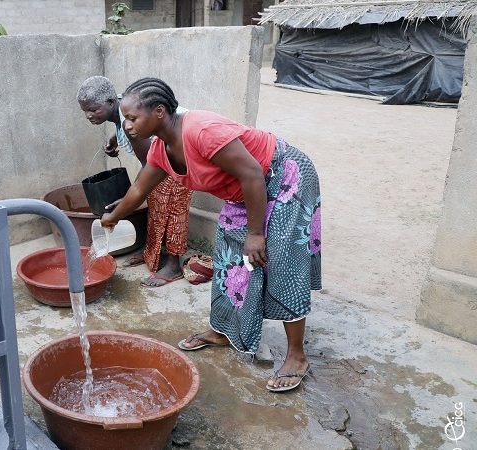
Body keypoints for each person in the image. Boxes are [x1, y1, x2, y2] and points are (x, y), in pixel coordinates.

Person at [101, 78, 321, 392]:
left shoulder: (200, 131)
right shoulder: (161, 150)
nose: (127, 125)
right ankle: (224, 331)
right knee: (231, 261)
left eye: (133, 118)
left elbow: (251, 172)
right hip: (245, 190)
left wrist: (256, 234)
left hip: (283, 174)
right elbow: (138, 189)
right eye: (126, 118)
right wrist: (113, 217)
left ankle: (296, 355)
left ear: (160, 112)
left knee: (282, 262)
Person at [77, 76, 192, 287]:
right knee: (156, 207)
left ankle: (174, 264)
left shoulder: (129, 121)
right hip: (164, 157)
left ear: (111, 102)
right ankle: (151, 252)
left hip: (177, 159)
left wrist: (130, 196)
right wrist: (114, 137)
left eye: (93, 109)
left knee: (174, 210)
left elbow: (150, 162)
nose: (88, 115)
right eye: (85, 110)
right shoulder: (123, 110)